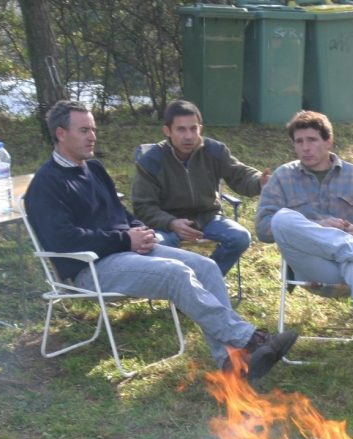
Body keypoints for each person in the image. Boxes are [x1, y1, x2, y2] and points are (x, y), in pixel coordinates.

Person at [24, 100, 297, 379]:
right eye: (84, 130)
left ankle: (231, 362)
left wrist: (141, 231)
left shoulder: (93, 169)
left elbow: (121, 214)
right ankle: (250, 339)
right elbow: (63, 240)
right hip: (90, 267)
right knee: (176, 273)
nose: (93, 136)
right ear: (61, 134)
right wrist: (124, 239)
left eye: (93, 129)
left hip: (126, 252)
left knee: (207, 268)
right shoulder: (47, 183)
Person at [256, 110, 353, 403]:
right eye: (299, 141)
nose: (305, 147)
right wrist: (315, 227)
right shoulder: (282, 177)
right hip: (307, 263)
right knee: (281, 220)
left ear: (329, 141)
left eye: (312, 140)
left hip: (347, 266)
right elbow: (264, 229)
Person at [132, 99, 269, 279]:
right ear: (167, 131)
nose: (189, 136)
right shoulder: (151, 160)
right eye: (181, 129)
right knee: (155, 245)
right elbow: (143, 206)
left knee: (240, 237)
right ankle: (181, 286)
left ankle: (204, 283)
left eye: (193, 128)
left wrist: (260, 181)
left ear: (200, 129)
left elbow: (240, 174)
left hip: (208, 218)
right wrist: (171, 222)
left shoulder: (214, 150)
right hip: (168, 225)